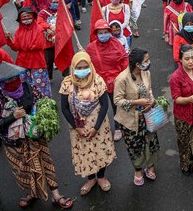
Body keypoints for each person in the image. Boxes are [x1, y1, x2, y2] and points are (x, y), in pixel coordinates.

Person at [0, 62, 73, 209]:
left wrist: (40, 115)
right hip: (14, 144)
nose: (13, 82)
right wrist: (12, 117)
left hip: (35, 138)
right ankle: (32, 193)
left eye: (15, 78)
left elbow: (42, 104)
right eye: (8, 81)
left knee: (46, 164)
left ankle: (56, 195)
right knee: (23, 170)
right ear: (1, 84)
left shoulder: (29, 88)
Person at [59, 52, 115, 195]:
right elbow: (64, 108)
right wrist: (76, 127)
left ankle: (101, 177)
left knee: (101, 150)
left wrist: (96, 128)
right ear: (73, 67)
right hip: (78, 128)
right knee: (84, 152)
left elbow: (104, 105)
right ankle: (91, 179)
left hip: (99, 125)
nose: (82, 70)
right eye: (79, 67)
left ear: (90, 66)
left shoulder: (97, 80)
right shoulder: (67, 83)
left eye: (85, 67)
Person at [113, 48, 160, 186]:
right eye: (146, 60)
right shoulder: (122, 78)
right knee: (135, 145)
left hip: (148, 114)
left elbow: (149, 90)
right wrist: (136, 102)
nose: (149, 62)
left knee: (151, 140)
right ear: (137, 64)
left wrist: (151, 101)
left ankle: (151, 166)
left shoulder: (147, 73)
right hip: (130, 119)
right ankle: (138, 170)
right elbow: (117, 100)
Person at [86, 19, 129, 141]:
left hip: (116, 82)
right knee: (99, 107)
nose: (103, 35)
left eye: (106, 32)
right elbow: (88, 65)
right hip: (99, 83)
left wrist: (123, 79)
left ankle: (118, 128)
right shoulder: (91, 48)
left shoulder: (116, 44)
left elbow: (124, 61)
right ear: (96, 34)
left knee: (117, 106)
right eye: (100, 32)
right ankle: (97, 128)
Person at [169, 44, 193, 177]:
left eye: (192, 58)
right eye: (187, 59)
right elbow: (176, 98)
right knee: (184, 141)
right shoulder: (176, 77)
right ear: (180, 60)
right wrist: (189, 99)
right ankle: (186, 163)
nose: (191, 61)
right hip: (183, 114)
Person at [5, 7, 51, 97]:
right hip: (23, 63)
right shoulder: (18, 31)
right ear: (20, 19)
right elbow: (16, 47)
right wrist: (10, 41)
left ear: (33, 17)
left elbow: (39, 45)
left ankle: (44, 106)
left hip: (37, 63)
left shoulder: (39, 29)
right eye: (24, 17)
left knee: (40, 87)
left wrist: (24, 47)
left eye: (28, 16)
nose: (26, 18)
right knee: (26, 87)